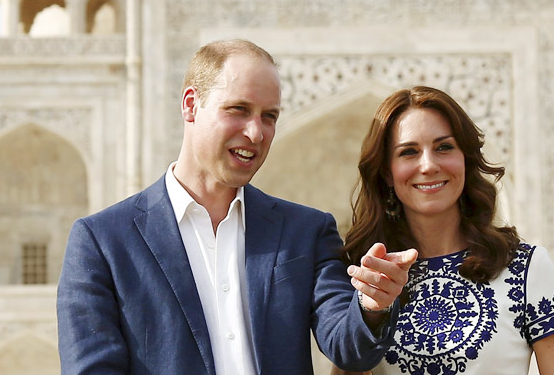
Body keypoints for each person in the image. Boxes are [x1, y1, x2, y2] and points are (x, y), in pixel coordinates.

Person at [57, 39, 417, 375]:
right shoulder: (104, 241)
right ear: (190, 105)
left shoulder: (304, 231)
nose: (256, 133)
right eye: (239, 110)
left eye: (269, 117)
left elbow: (348, 347)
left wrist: (373, 305)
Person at [333, 86, 554, 375]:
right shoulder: (366, 277)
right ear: (387, 172)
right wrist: (371, 311)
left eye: (444, 147)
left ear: (465, 158)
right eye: (409, 152)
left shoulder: (525, 268)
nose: (428, 165)